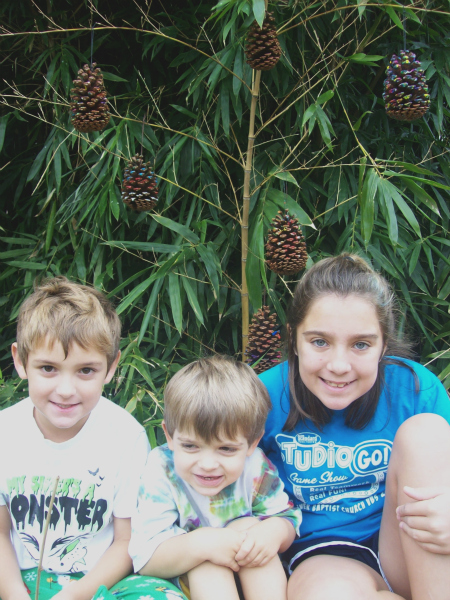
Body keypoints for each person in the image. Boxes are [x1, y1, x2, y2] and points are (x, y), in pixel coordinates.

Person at [259, 253, 450, 600]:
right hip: (326, 554)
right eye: (319, 342)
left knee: (427, 432)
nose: (339, 365)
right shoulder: (263, 399)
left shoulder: (415, 389)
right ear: (293, 340)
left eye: (361, 344)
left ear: (384, 345)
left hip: (414, 548)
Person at [0, 277, 186, 600]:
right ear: (20, 361)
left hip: (100, 582)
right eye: (48, 368)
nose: (66, 389)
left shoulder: (126, 437)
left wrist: (76, 595)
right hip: (22, 576)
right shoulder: (6, 432)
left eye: (86, 370)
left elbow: (127, 542)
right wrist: (15, 593)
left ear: (111, 367)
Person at [129, 355, 302, 600]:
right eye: (190, 446)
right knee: (206, 563)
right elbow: (145, 558)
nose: (208, 465)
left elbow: (287, 518)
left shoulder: (256, 466)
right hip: (190, 581)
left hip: (248, 572)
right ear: (169, 436)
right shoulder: (161, 470)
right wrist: (205, 544)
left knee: (251, 529)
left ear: (252, 443)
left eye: (226, 449)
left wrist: (275, 531)